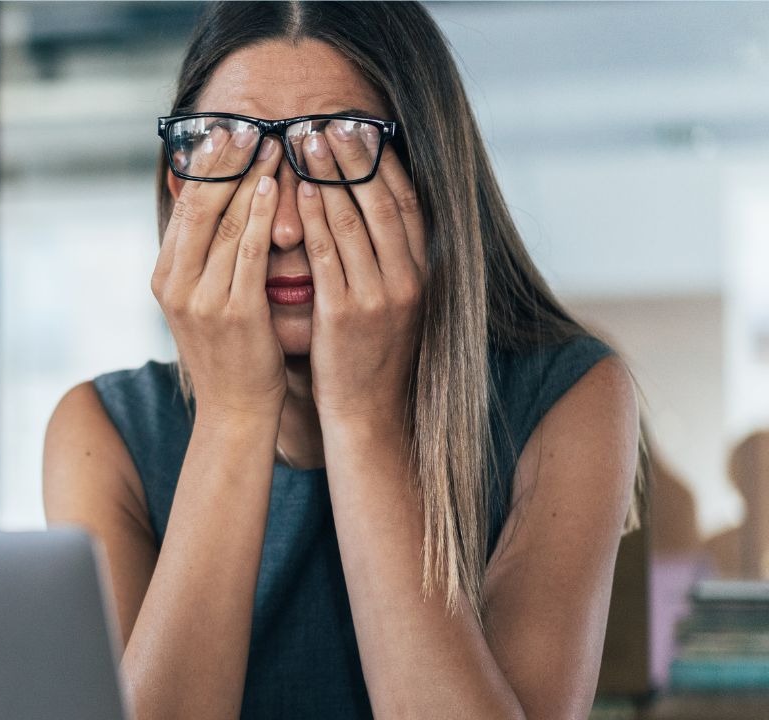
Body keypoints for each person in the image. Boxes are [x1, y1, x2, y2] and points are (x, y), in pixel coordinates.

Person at [42, 2, 649, 718]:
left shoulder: (568, 399)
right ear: (184, 190)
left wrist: (360, 415)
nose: (286, 227)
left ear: (425, 186)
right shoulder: (103, 434)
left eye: (339, 156)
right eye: (238, 160)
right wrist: (235, 414)